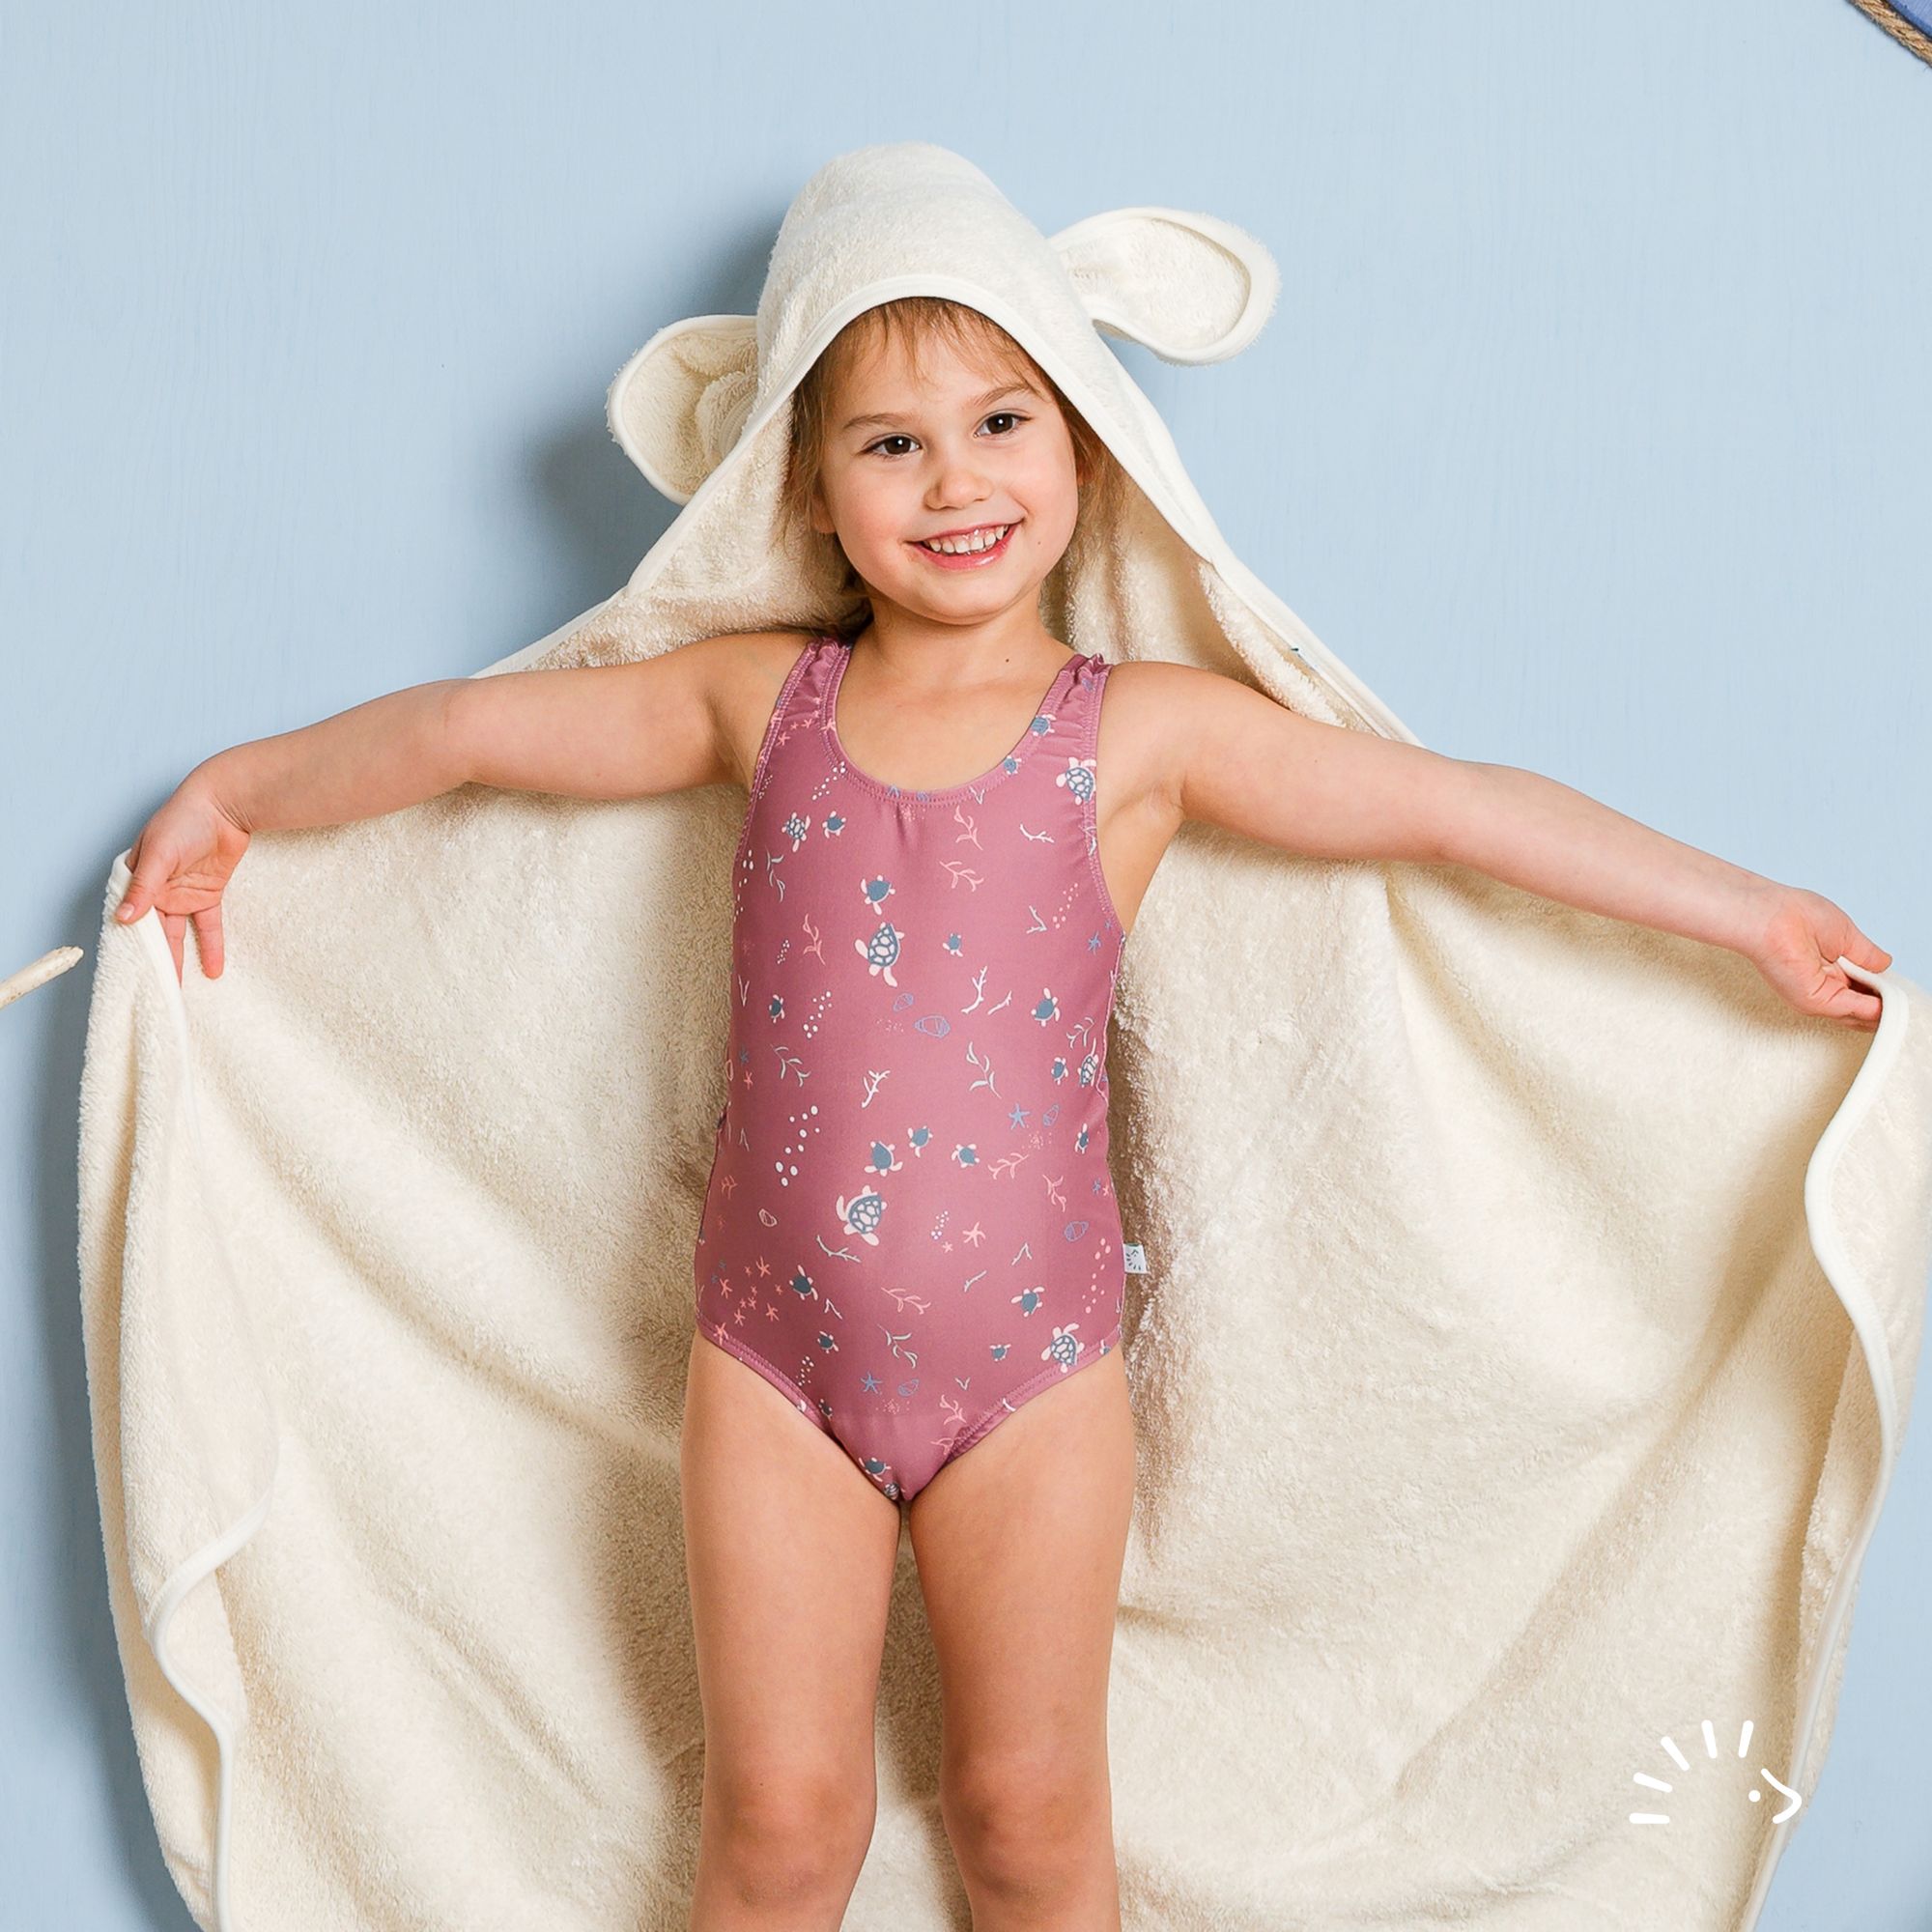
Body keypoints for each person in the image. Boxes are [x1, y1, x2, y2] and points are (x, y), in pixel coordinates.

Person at [110, 294, 1889, 1931]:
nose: (954, 481)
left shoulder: (1142, 731)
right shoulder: (758, 700)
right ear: (811, 493)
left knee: (1029, 1823)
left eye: (1002, 422)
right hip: (772, 1364)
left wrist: (1751, 913)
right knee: (779, 1831)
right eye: (892, 442)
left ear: (1086, 454)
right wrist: (236, 792)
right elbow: (468, 735)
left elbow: (1453, 810)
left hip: (1031, 1380)